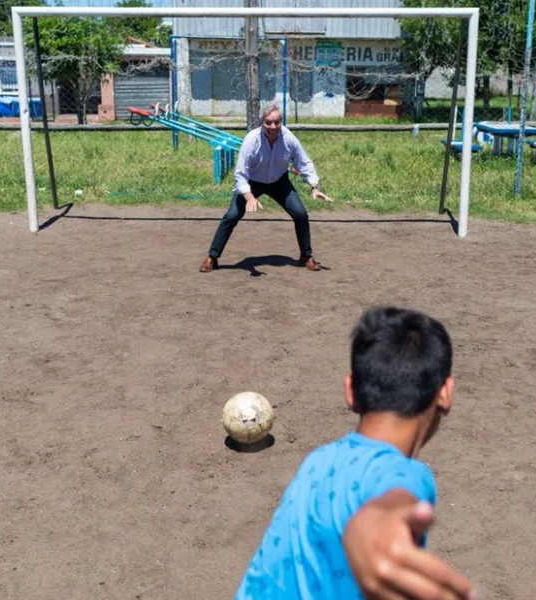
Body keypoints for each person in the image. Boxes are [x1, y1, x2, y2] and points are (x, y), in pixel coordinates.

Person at [234, 306, 475, 600]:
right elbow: (391, 501)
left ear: (350, 391)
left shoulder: (318, 459)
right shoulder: (408, 475)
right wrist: (376, 523)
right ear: (446, 393)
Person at [199, 104, 332, 273]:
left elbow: (303, 163)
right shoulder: (251, 140)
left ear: (281, 122)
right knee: (231, 215)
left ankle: (306, 256)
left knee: (300, 213)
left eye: (277, 122)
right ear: (262, 122)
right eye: (268, 122)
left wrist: (314, 186)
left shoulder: (289, 138)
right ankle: (212, 257)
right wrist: (249, 197)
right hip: (252, 182)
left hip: (279, 181)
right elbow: (240, 174)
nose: (273, 127)